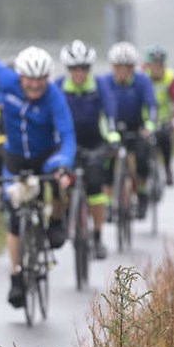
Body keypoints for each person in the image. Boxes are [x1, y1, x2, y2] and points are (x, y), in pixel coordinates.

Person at [0, 46, 75, 309]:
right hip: (14, 157)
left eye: (41, 79)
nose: (35, 85)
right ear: (20, 76)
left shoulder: (54, 98)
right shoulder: (8, 82)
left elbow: (68, 136)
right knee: (15, 217)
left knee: (59, 182)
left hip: (46, 156)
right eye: (30, 79)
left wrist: (63, 164)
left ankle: (57, 221)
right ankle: (16, 277)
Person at [56, 39, 117, 259]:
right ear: (68, 69)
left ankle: (98, 237)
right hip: (68, 143)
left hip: (94, 142)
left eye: (84, 68)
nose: (79, 73)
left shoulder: (100, 85)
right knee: (61, 182)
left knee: (95, 189)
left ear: (89, 69)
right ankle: (64, 216)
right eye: (74, 68)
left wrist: (112, 136)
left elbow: (110, 112)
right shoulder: (59, 86)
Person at [100, 41, 157, 219]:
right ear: (113, 66)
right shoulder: (105, 82)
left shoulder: (142, 81)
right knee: (106, 160)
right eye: (119, 67)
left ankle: (141, 194)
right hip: (112, 128)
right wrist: (108, 132)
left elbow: (151, 105)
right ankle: (108, 203)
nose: (123, 71)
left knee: (142, 157)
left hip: (137, 128)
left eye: (127, 67)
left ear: (133, 67)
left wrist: (149, 125)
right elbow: (101, 110)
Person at [143, 45, 174, 186]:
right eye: (154, 65)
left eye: (160, 65)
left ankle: (167, 168)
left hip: (163, 120)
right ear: (148, 65)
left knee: (165, 143)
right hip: (144, 122)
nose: (157, 68)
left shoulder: (169, 78)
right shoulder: (142, 77)